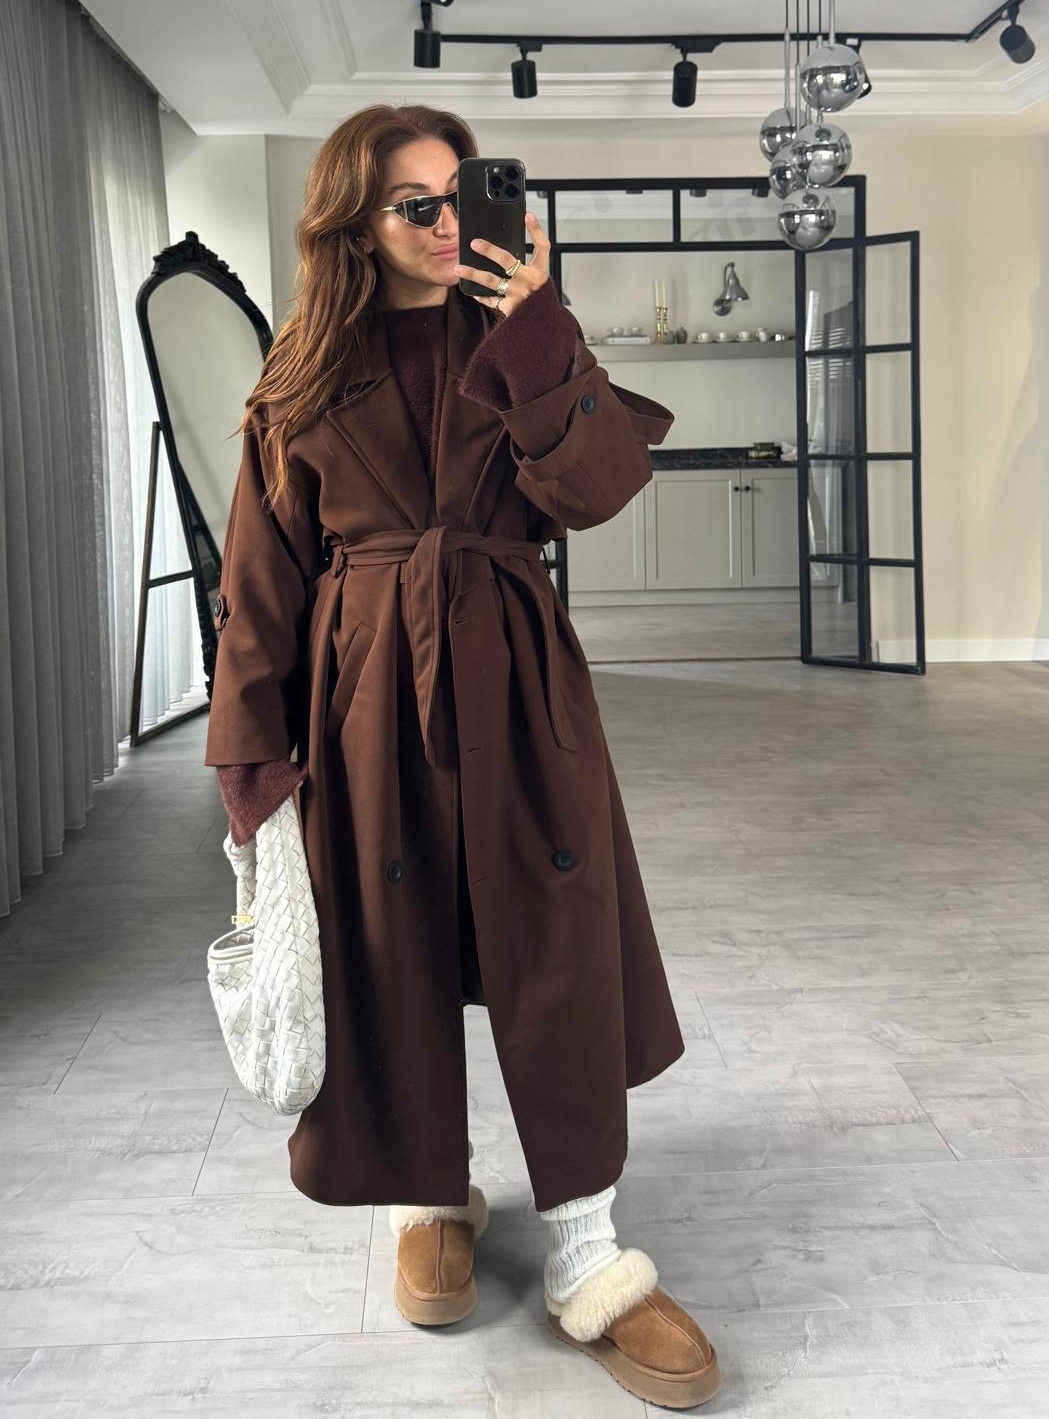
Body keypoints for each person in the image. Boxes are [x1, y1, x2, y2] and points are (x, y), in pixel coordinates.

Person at [204, 104, 721, 1407]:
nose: (448, 224)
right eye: (416, 205)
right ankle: (425, 1197)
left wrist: (538, 327)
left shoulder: (521, 337)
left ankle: (588, 1252)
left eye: (461, 197)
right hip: (360, 697)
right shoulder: (297, 377)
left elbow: (597, 490)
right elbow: (259, 587)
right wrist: (252, 771)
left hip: (517, 675)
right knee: (392, 949)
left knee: (558, 949)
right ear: (355, 224)